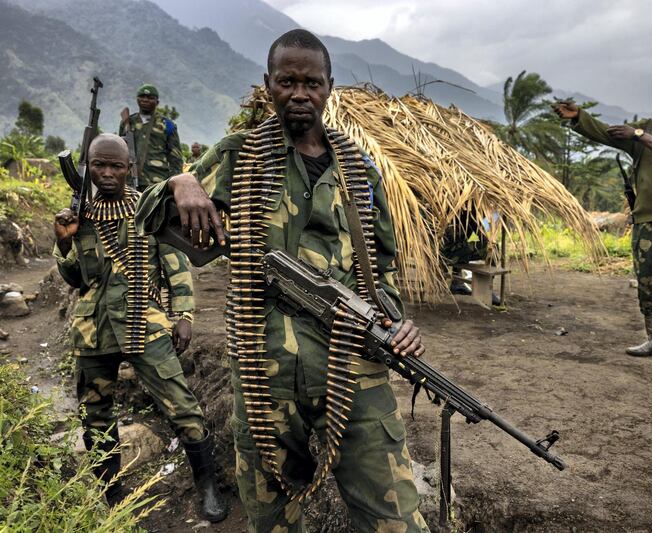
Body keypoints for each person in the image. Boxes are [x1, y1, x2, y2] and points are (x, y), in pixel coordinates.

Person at [135, 30, 429, 532]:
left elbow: (380, 268)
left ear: (329, 87)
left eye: (311, 82)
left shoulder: (360, 170)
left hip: (351, 362)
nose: (299, 93)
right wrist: (178, 182)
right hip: (262, 370)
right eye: (286, 80)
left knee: (396, 520)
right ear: (266, 84)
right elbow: (146, 215)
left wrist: (397, 321)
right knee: (272, 521)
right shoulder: (238, 156)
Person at [53, 134, 227, 521]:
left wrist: (184, 316)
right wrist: (65, 242)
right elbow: (76, 279)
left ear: (129, 167)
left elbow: (177, 268)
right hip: (92, 329)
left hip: (143, 323)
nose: (108, 173)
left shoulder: (146, 209)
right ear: (89, 167)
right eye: (100, 164)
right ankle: (112, 494)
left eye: (116, 165)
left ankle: (209, 488)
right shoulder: (79, 214)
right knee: (95, 415)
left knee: (183, 407)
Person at [554, 73, 652, 367]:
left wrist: (639, 135)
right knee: (647, 280)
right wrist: (580, 117)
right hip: (644, 216)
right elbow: (609, 134)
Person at [118, 84, 183, 191]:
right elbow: (120, 151)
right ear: (137, 99)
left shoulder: (168, 124)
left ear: (157, 102)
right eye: (142, 97)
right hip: (129, 180)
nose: (145, 100)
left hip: (157, 181)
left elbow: (176, 158)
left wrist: (175, 182)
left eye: (150, 98)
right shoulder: (127, 122)